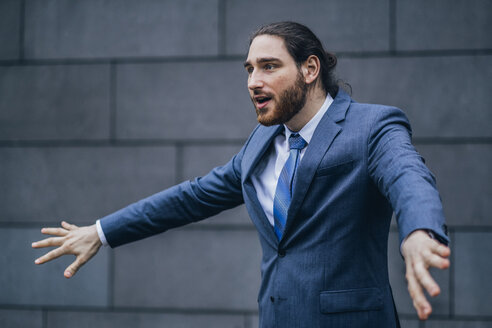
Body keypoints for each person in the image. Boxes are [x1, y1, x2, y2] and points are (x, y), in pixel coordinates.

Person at [32, 21, 450, 327]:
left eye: (268, 66)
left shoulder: (371, 127)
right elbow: (189, 198)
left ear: (310, 69)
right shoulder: (260, 145)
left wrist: (419, 232)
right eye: (249, 69)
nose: (253, 80)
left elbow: (407, 175)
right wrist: (101, 232)